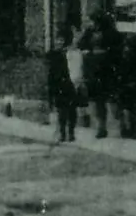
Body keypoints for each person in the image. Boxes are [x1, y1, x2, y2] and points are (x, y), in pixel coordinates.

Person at [78, 10, 123, 139]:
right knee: (98, 100)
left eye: (91, 21)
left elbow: (117, 50)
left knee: (113, 98)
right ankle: (101, 127)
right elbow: (81, 45)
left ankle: (122, 123)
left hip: (107, 69)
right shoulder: (89, 33)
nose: (90, 23)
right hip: (93, 70)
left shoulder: (111, 33)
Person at [47, 24, 79, 143]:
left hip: (70, 84)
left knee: (71, 110)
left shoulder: (71, 54)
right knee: (61, 110)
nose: (59, 42)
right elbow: (51, 71)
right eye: (57, 40)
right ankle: (62, 133)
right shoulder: (54, 55)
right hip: (58, 84)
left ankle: (71, 132)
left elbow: (75, 68)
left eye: (61, 40)